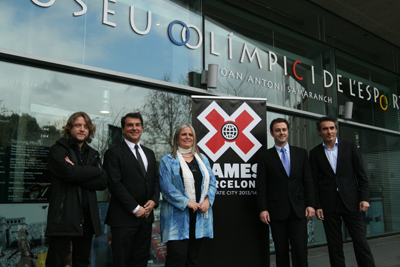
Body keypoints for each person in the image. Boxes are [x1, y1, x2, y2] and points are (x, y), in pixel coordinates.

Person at [309, 116, 375, 267]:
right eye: (325, 129)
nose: (329, 131)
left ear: (336, 129)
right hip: (329, 205)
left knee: (361, 243)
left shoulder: (350, 147)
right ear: (319, 132)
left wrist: (365, 198)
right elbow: (313, 183)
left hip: (352, 202)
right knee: (334, 246)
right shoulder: (314, 153)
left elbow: (362, 175)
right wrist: (317, 205)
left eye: (332, 128)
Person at [45, 111, 108, 267]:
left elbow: (102, 182)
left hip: (87, 219)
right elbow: (69, 173)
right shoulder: (57, 150)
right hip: (63, 217)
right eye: (78, 125)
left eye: (85, 126)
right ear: (69, 128)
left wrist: (77, 171)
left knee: (81, 262)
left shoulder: (93, 154)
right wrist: (93, 171)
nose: (82, 129)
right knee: (56, 262)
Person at [257, 118, 315, 267]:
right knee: (281, 252)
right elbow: (261, 185)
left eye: (283, 129)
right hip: (276, 211)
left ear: (288, 132)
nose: (281, 133)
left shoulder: (301, 153)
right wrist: (263, 208)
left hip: (298, 210)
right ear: (272, 133)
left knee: (300, 250)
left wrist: (311, 204)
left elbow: (308, 181)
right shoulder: (265, 157)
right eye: (277, 130)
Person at [104, 112, 160, 267]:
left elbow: (155, 180)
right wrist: (135, 208)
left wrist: (154, 200)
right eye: (130, 125)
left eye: (137, 125)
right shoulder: (113, 153)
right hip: (124, 219)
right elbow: (115, 184)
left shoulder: (149, 153)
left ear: (142, 128)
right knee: (122, 262)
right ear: (123, 129)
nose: (134, 128)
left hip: (145, 218)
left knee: (141, 261)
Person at [159, 124, 217, 267]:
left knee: (193, 259)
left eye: (190, 135)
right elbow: (166, 188)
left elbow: (212, 182)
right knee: (176, 257)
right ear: (177, 138)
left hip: (200, 216)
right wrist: (187, 202)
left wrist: (208, 201)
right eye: (183, 134)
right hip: (176, 218)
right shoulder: (167, 160)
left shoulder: (202, 159)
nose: (187, 137)